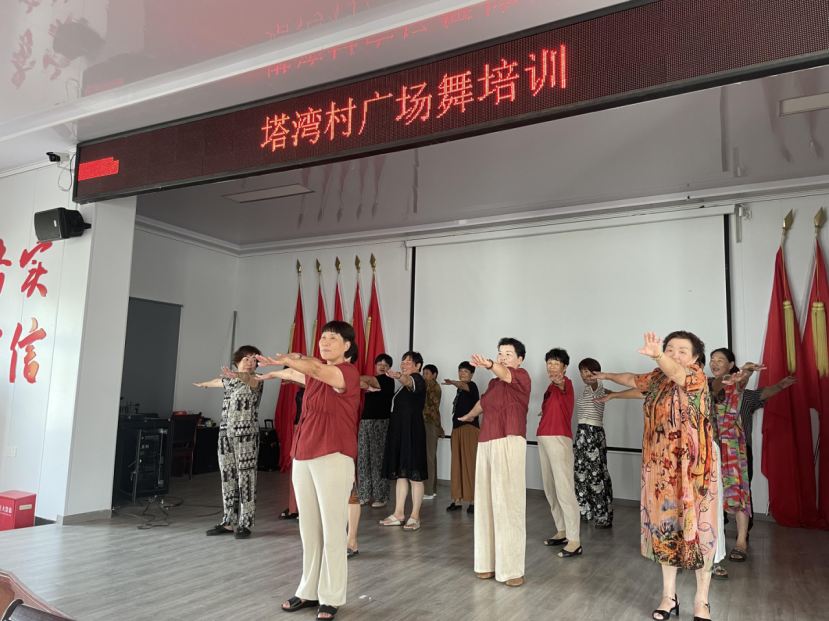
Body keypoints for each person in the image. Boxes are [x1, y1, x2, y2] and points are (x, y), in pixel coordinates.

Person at [589, 331, 718, 621]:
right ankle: (669, 597)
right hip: (660, 472)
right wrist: (607, 377)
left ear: (696, 357)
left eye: (682, 350)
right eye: (669, 348)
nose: (674, 354)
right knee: (665, 532)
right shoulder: (659, 377)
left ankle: (702, 601)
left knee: (701, 533)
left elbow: (676, 372)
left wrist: (659, 355)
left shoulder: (696, 376)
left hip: (694, 471)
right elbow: (632, 380)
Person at [256, 321, 362, 621]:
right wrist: (274, 371)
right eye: (322, 338)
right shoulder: (316, 377)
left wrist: (288, 359)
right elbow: (297, 373)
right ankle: (308, 591)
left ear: (347, 346)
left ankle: (331, 596)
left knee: (332, 529)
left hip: (333, 455)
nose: (324, 342)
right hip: (304, 454)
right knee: (309, 528)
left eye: (332, 338)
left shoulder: (346, 373)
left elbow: (312, 368)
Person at [457, 338, 531, 588]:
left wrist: (489, 364)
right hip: (486, 442)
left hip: (509, 440)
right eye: (500, 353)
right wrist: (469, 415)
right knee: (486, 503)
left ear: (519, 359)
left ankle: (511, 568)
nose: (503, 357)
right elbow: (483, 403)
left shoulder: (521, 376)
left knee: (508, 504)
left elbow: (505, 374)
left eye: (508, 354)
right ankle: (486, 563)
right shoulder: (492, 383)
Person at [195, 346, 264, 540]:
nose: (250, 363)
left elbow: (249, 380)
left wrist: (239, 375)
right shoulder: (230, 380)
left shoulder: (257, 380)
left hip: (247, 436)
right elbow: (217, 382)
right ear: (238, 361)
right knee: (228, 477)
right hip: (226, 435)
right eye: (246, 359)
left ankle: (245, 523)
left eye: (254, 360)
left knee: (246, 478)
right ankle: (228, 521)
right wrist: (204, 384)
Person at [536, 348, 582, 558]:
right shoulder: (548, 388)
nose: (552, 367)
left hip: (559, 440)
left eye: (556, 363)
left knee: (564, 490)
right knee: (550, 489)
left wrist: (559, 381)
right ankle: (562, 531)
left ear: (564, 367)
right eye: (549, 363)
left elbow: (561, 385)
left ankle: (574, 540)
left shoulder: (566, 383)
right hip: (543, 438)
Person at [379, 351, 429, 531]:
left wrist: (399, 376)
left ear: (418, 366)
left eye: (409, 361)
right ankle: (398, 514)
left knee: (415, 475)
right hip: (400, 432)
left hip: (412, 432)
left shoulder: (418, 379)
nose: (404, 364)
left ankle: (415, 516)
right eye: (403, 361)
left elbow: (409, 382)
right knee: (401, 474)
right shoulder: (402, 387)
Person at [574, 358, 614, 528]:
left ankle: (602, 515)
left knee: (596, 475)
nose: (584, 375)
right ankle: (584, 511)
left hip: (593, 433)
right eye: (581, 371)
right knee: (580, 473)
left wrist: (600, 381)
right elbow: (606, 392)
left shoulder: (596, 385)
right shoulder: (588, 390)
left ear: (596, 373)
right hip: (581, 433)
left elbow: (599, 385)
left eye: (587, 371)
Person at [357, 354, 394, 508]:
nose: (382, 367)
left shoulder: (387, 380)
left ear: (389, 368)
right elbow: (361, 383)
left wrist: (352, 377)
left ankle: (381, 496)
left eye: (386, 365)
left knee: (378, 460)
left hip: (380, 423)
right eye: (379, 364)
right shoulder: (372, 382)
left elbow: (365, 379)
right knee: (363, 459)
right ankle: (364, 495)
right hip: (365, 422)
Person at [444, 361, 480, 514]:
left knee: (470, 464)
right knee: (456, 464)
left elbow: (463, 385)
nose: (462, 373)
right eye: (460, 371)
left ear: (472, 374)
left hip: (469, 429)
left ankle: (473, 501)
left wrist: (453, 382)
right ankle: (457, 500)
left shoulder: (472, 386)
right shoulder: (459, 391)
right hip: (457, 429)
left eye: (466, 371)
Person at [278, 384, 304, 521]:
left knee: (306, 469)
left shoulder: (317, 382)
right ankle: (294, 508)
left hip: (309, 427)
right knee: (296, 468)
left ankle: (305, 510)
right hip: (298, 425)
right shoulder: (301, 386)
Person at [422, 364, 444, 500]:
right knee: (431, 457)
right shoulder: (432, 386)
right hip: (432, 424)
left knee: (428, 457)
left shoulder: (433, 385)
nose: (424, 376)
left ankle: (428, 491)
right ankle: (432, 489)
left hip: (429, 424)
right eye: (423, 373)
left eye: (427, 373)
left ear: (434, 375)